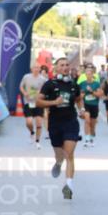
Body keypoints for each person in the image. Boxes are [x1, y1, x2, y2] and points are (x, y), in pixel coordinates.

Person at [35, 57, 82, 200]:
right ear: (56, 68)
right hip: (55, 123)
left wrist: (82, 109)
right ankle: (58, 162)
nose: (65, 67)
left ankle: (68, 186)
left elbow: (78, 99)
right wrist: (54, 102)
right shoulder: (49, 84)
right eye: (62, 65)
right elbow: (38, 101)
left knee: (69, 154)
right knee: (59, 154)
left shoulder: (73, 85)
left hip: (71, 122)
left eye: (67, 65)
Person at [20, 63, 48, 148]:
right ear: (31, 69)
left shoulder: (43, 79)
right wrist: (25, 93)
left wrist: (42, 94)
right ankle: (32, 132)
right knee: (29, 121)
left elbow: (47, 90)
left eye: (38, 68)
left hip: (38, 102)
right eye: (34, 67)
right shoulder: (26, 77)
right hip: (28, 101)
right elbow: (21, 87)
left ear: (40, 69)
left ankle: (37, 141)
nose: (36, 69)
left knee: (39, 123)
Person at [78, 65, 102, 147]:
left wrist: (91, 91)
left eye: (90, 73)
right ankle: (87, 139)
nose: (88, 75)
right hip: (86, 104)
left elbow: (99, 95)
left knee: (92, 124)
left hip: (94, 105)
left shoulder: (96, 84)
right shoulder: (82, 84)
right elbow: (79, 97)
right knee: (87, 120)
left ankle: (91, 138)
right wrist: (81, 107)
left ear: (92, 74)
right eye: (87, 73)